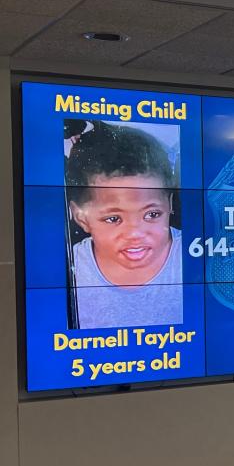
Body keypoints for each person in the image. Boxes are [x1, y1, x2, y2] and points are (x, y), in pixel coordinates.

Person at [65, 121, 182, 329]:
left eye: (152, 214)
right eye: (113, 219)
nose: (135, 233)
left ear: (170, 204)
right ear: (81, 217)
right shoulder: (69, 266)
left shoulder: (192, 254)